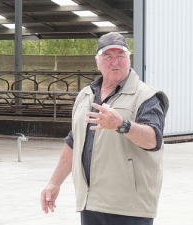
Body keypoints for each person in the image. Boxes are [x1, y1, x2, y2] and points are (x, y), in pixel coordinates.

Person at [40, 32, 169, 225]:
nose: (114, 62)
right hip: (91, 204)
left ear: (129, 58)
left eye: (120, 55)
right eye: (108, 56)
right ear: (97, 62)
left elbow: (152, 139)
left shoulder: (147, 96)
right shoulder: (85, 96)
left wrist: (121, 124)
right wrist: (54, 182)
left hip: (129, 207)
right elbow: (75, 141)